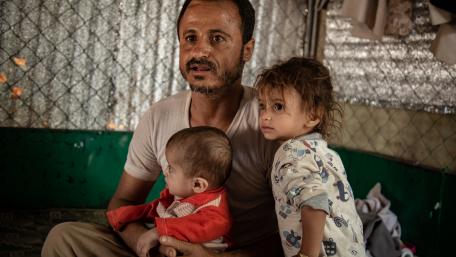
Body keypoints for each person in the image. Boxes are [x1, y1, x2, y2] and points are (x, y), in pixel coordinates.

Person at [42, 0, 283, 256]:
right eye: (190, 37)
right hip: (166, 247)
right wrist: (145, 244)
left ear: (247, 49)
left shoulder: (272, 123)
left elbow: (302, 234)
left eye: (217, 38)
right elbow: (122, 202)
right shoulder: (160, 116)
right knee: (65, 238)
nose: (200, 51)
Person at [255, 57, 366, 257]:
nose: (265, 115)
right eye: (263, 105)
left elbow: (315, 201)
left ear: (313, 116)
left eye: (278, 107)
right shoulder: (327, 153)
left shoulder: (291, 152)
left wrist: (307, 254)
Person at [106, 126, 233, 257]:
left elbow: (198, 226)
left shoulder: (215, 211)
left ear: (197, 184)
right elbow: (155, 208)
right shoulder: (182, 195)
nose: (165, 172)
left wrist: (160, 231)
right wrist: (125, 215)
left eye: (171, 168)